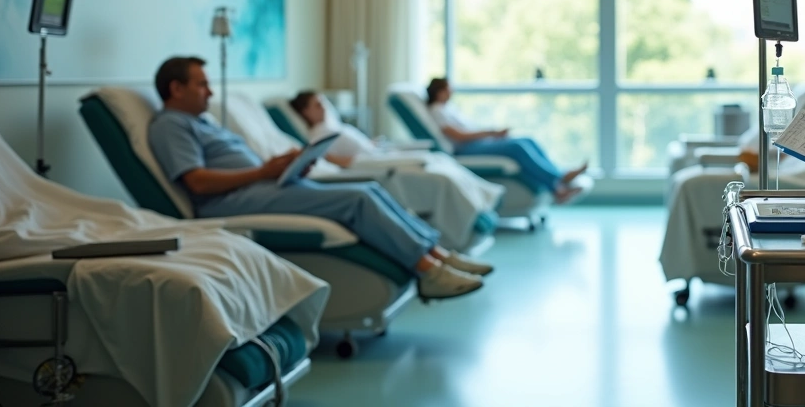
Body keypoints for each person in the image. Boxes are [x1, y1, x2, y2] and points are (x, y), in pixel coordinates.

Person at [146, 56, 491, 301]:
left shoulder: (201, 122)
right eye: (202, 85)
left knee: (368, 187)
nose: (209, 92)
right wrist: (265, 171)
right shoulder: (171, 125)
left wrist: (285, 167)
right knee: (357, 199)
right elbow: (198, 183)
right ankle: (429, 272)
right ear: (176, 88)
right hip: (233, 202)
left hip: (263, 186)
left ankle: (437, 252)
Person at [425, 78, 587, 203]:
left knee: (527, 140)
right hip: (466, 149)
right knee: (516, 147)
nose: (451, 92)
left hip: (479, 143)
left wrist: (493, 134)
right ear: (439, 92)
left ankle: (557, 185)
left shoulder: (449, 109)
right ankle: (559, 178)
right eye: (448, 89)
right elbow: (459, 135)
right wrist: (492, 133)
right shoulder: (437, 111)